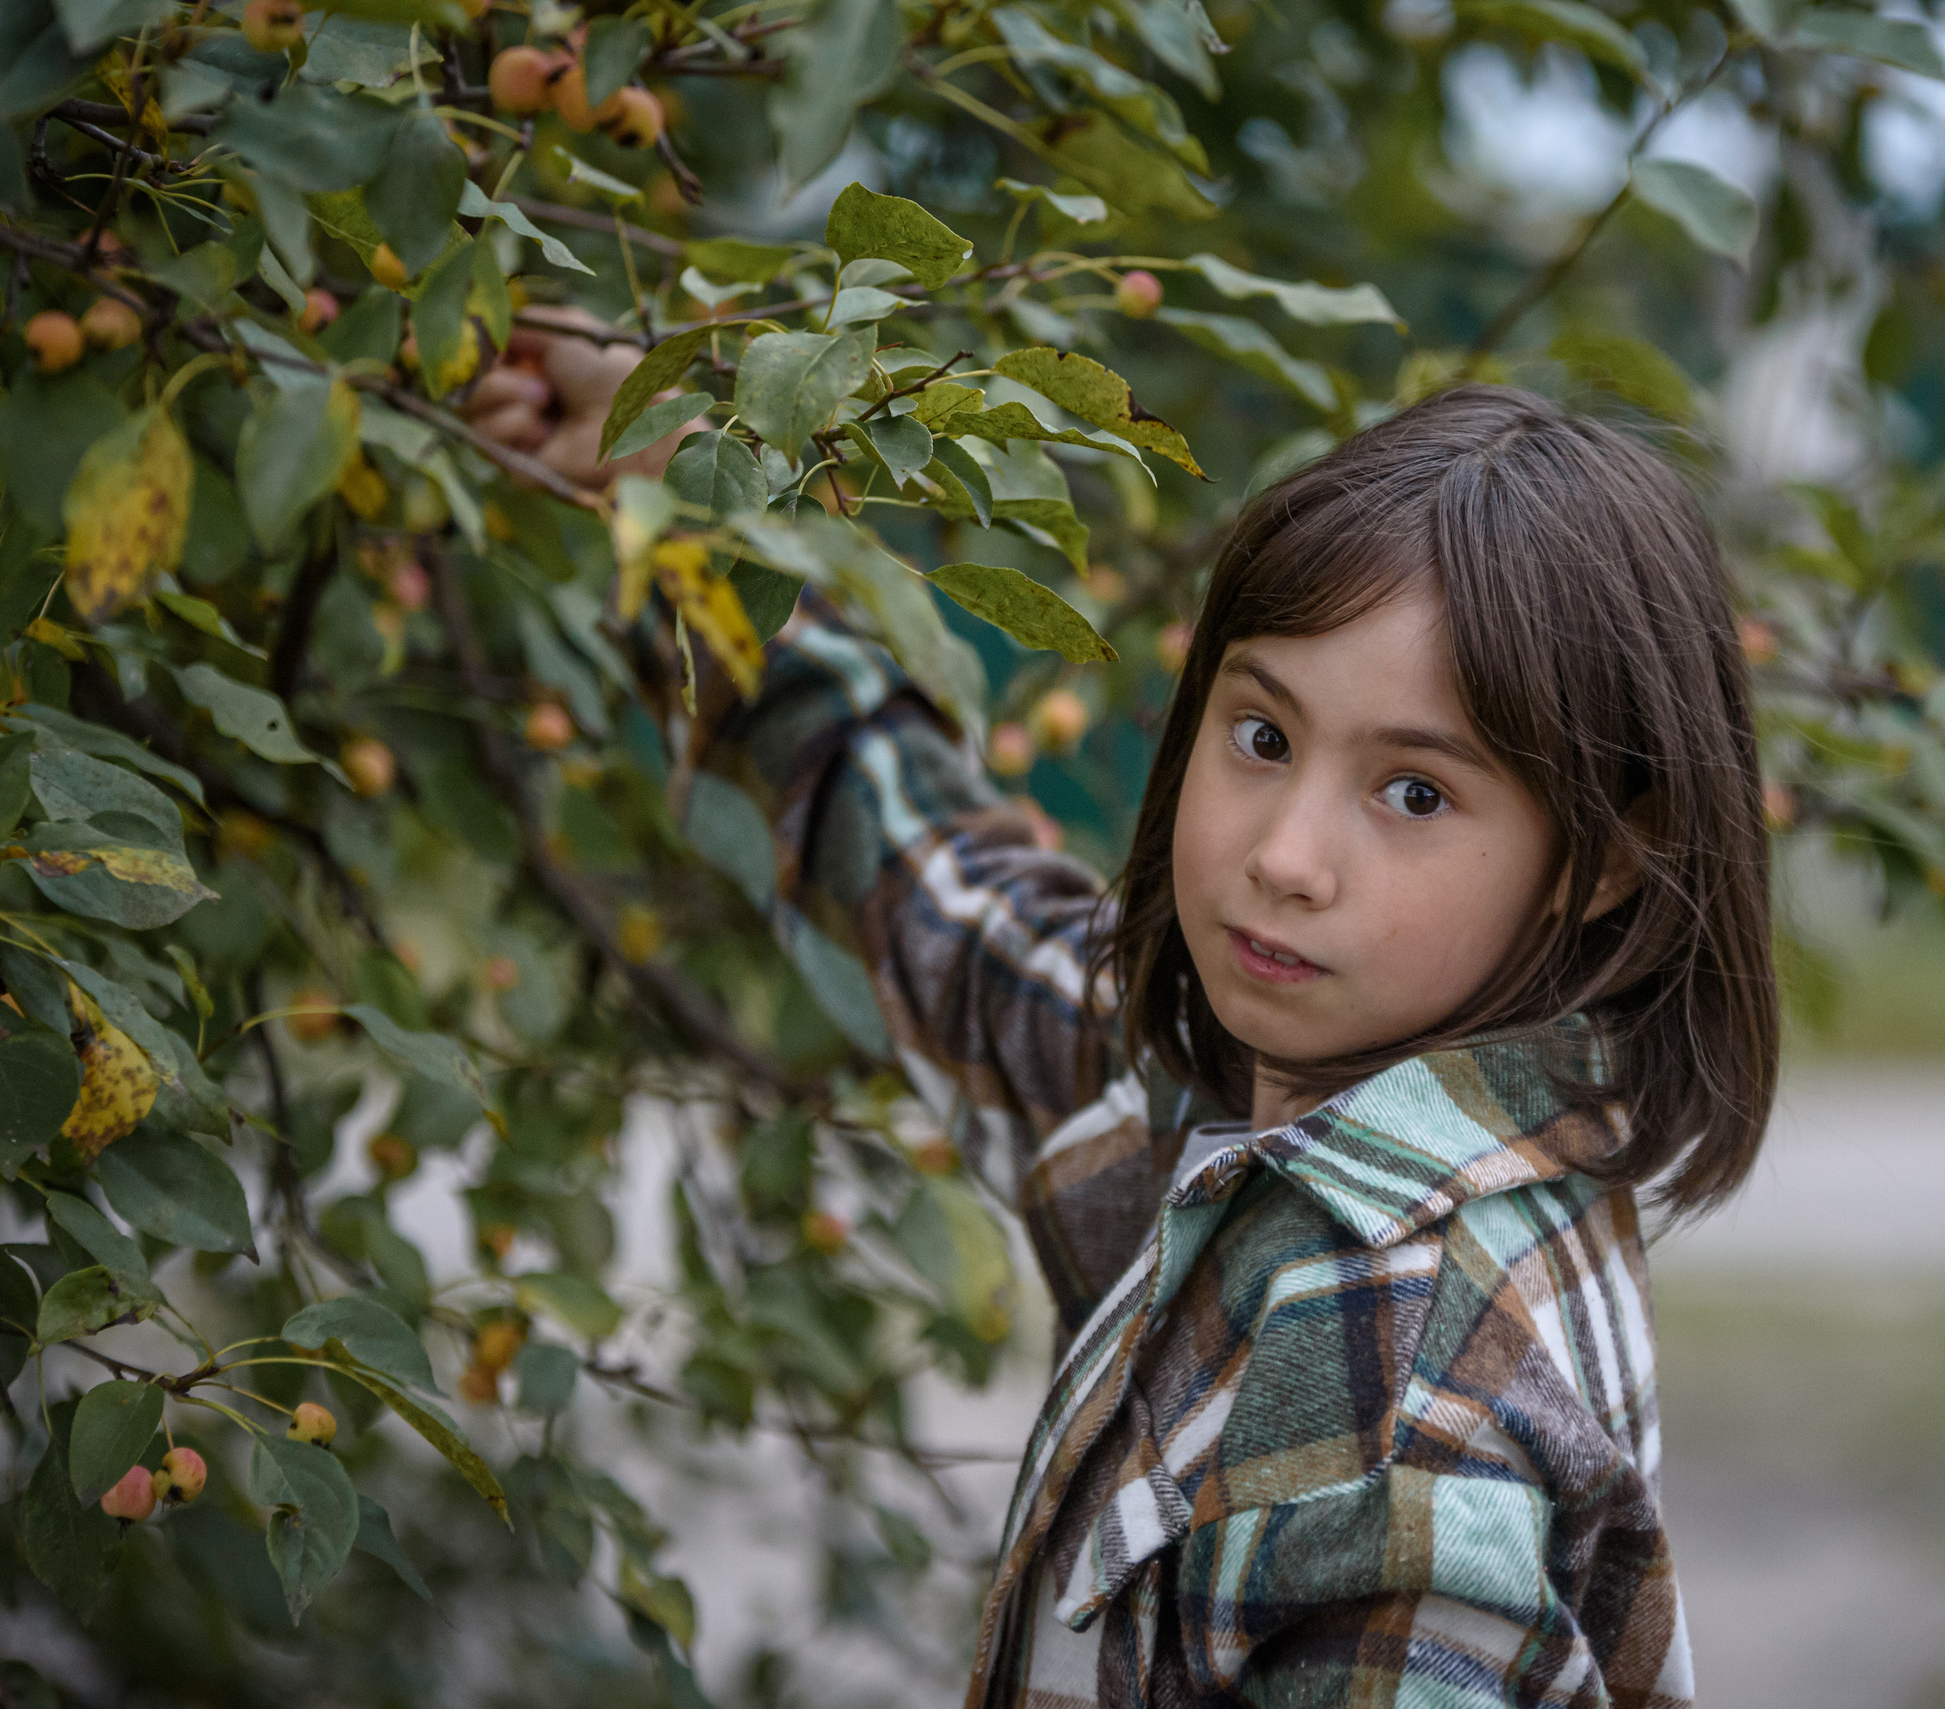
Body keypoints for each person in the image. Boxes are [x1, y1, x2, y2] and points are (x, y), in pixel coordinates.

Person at [468, 337, 1780, 1709]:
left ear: (1605, 858)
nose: (1285, 857)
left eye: (1415, 794)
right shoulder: (1235, 1097)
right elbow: (935, 901)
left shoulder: (1399, 1383)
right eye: (1263, 736)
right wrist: (682, 498)